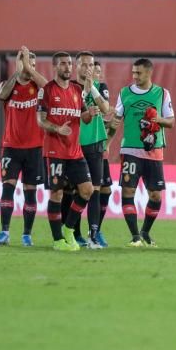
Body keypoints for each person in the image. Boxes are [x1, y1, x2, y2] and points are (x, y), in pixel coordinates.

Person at [111, 58, 175, 247]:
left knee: (155, 195)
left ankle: (145, 232)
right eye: (133, 73)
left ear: (149, 73)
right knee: (128, 190)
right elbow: (116, 120)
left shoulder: (162, 94)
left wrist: (156, 120)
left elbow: (171, 122)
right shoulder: (124, 93)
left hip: (154, 151)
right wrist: (107, 142)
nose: (134, 76)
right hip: (130, 149)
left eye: (138, 73)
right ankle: (134, 236)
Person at [37, 52, 97, 252]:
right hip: (54, 151)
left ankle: (69, 228)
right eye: (63, 64)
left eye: (70, 64)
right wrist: (57, 128)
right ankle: (57, 240)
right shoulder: (47, 90)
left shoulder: (76, 90)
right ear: (55, 66)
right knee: (57, 193)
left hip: (75, 152)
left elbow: (84, 118)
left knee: (87, 190)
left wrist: (90, 113)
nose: (68, 67)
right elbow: (41, 119)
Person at [0, 47, 47, 247]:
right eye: (26, 63)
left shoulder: (40, 88)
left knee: (30, 192)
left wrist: (30, 69)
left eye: (32, 64)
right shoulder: (7, 85)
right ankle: (4, 232)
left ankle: (27, 234)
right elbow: (2, 95)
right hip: (11, 147)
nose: (29, 68)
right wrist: (18, 70)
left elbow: (49, 87)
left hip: (34, 148)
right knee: (8, 189)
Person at [74, 51, 111, 248]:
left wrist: (91, 89)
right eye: (84, 64)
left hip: (96, 144)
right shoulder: (69, 87)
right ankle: (76, 234)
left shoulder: (101, 86)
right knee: (77, 191)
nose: (87, 68)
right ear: (76, 66)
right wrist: (85, 91)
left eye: (90, 65)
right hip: (75, 144)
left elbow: (106, 109)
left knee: (96, 190)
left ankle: (94, 233)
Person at [94, 60, 116, 246]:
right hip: (83, 147)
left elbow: (106, 110)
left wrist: (108, 141)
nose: (99, 74)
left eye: (100, 71)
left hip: (100, 150)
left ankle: (96, 229)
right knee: (81, 191)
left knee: (105, 190)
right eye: (96, 70)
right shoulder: (77, 88)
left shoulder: (101, 87)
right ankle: (73, 231)